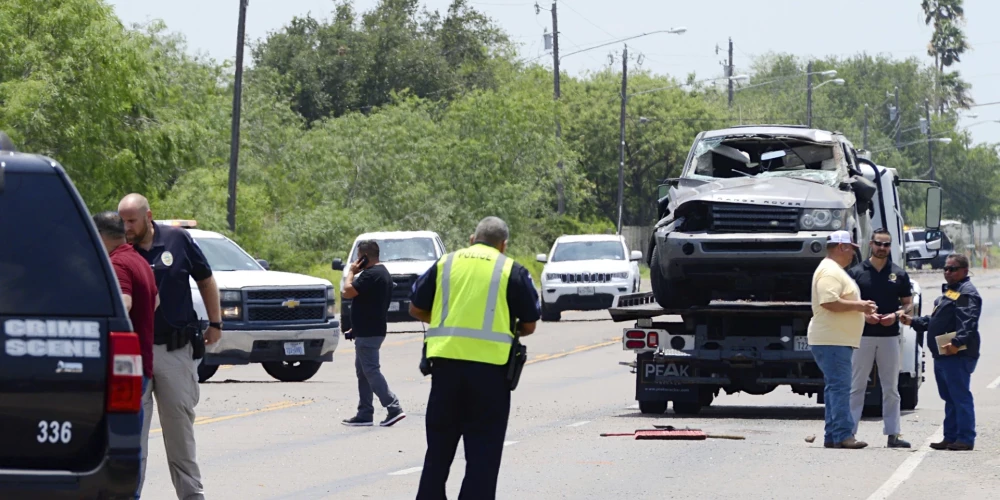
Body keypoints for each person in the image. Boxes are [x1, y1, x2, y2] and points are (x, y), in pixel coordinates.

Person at [409, 216, 541, 500]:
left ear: (472, 239)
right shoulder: (511, 270)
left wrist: (450, 322)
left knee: (438, 451)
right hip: (491, 375)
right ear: (503, 245)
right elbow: (529, 325)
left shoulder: (446, 264)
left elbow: (416, 308)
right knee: (484, 454)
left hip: (445, 371)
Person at [118, 193, 222, 500]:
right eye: (122, 221)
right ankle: (128, 494)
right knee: (133, 434)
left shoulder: (178, 240)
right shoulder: (120, 250)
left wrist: (216, 323)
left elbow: (206, 280)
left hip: (174, 351)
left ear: (148, 216)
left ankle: (191, 495)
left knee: (180, 431)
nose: (127, 227)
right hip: (135, 355)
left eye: (132, 221)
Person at [92, 211, 160, 498]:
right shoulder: (139, 260)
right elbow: (155, 301)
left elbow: (124, 304)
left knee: (112, 447)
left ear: (99, 235)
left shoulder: (117, 263)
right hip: (141, 364)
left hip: (123, 368)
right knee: (129, 442)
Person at [902, 253, 981, 451]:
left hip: (957, 354)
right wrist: (914, 321)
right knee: (950, 397)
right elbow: (937, 320)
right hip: (943, 354)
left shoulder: (966, 293)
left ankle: (965, 438)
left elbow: (968, 322)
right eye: (946, 269)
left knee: (959, 396)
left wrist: (956, 343)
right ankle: (951, 436)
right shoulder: (952, 292)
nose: (948, 272)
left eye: (952, 269)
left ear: (964, 271)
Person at [807, 230, 877, 450]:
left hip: (834, 338)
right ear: (841, 247)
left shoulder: (834, 270)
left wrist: (861, 313)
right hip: (832, 339)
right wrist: (860, 306)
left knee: (835, 387)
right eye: (851, 249)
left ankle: (833, 435)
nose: (853, 254)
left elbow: (836, 303)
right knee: (840, 387)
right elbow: (829, 301)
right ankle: (844, 434)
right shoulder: (830, 271)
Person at [846, 228, 913, 448]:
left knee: (891, 387)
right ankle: (849, 432)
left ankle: (893, 434)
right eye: (879, 243)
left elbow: (908, 304)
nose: (882, 248)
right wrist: (864, 315)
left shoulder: (899, 274)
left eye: (886, 244)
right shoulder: (856, 273)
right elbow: (847, 303)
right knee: (856, 386)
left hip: (889, 336)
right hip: (862, 336)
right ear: (871, 245)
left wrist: (896, 315)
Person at [340, 239, 406, 427]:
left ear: (364, 257)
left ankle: (393, 407)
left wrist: (351, 272)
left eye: (358, 257)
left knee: (370, 371)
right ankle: (365, 413)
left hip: (369, 333)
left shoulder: (372, 274)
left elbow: (347, 292)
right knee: (363, 372)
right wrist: (356, 327)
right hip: (368, 330)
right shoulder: (380, 273)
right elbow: (371, 304)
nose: (356, 261)